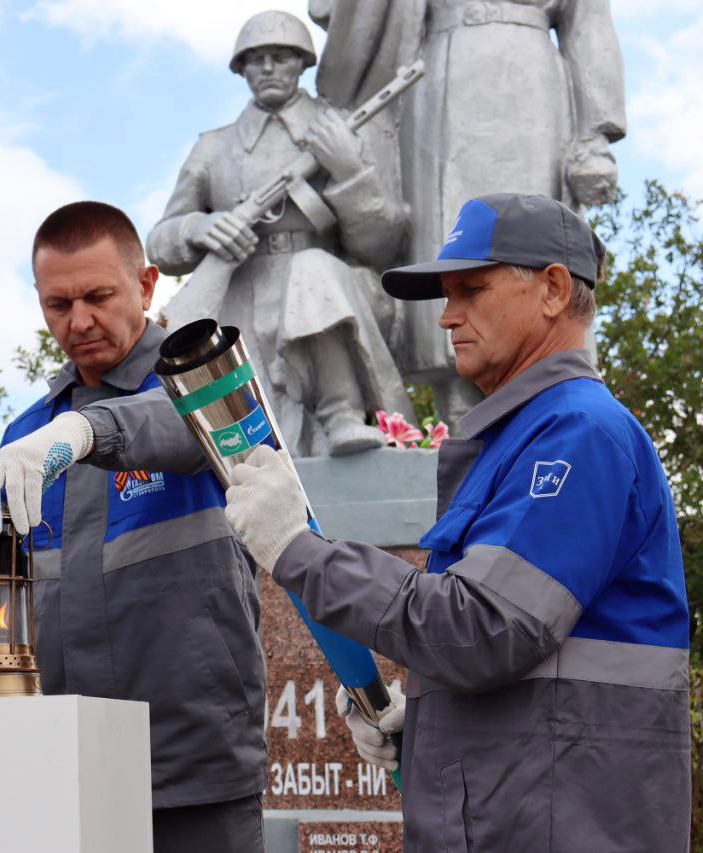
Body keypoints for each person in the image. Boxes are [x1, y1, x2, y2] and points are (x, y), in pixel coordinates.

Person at [224, 193, 689, 850]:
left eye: (471, 289)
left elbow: (483, 626)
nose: (447, 316)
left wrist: (299, 548)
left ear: (554, 289)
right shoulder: (528, 437)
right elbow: (534, 662)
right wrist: (433, 719)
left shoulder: (580, 433)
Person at [0, 201, 267, 852]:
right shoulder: (24, 436)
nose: (78, 321)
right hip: (58, 773)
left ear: (147, 284)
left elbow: (180, 424)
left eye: (98, 295)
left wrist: (84, 431)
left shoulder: (203, 386)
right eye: (57, 304)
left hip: (191, 774)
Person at [312, 0, 627, 426]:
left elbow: (589, 26)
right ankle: (460, 423)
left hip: (530, 86)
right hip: (440, 79)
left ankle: (551, 406)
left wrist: (595, 137)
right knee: (451, 250)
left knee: (530, 251)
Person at [148, 10, 414, 457]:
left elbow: (383, 244)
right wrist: (202, 226)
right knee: (261, 448)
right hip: (243, 297)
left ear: (302, 63)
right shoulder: (214, 147)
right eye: (256, 59)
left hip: (333, 292)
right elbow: (161, 242)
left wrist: (349, 172)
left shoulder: (340, 129)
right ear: (242, 69)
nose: (268, 68)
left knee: (313, 271)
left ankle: (341, 413)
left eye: (280, 57)